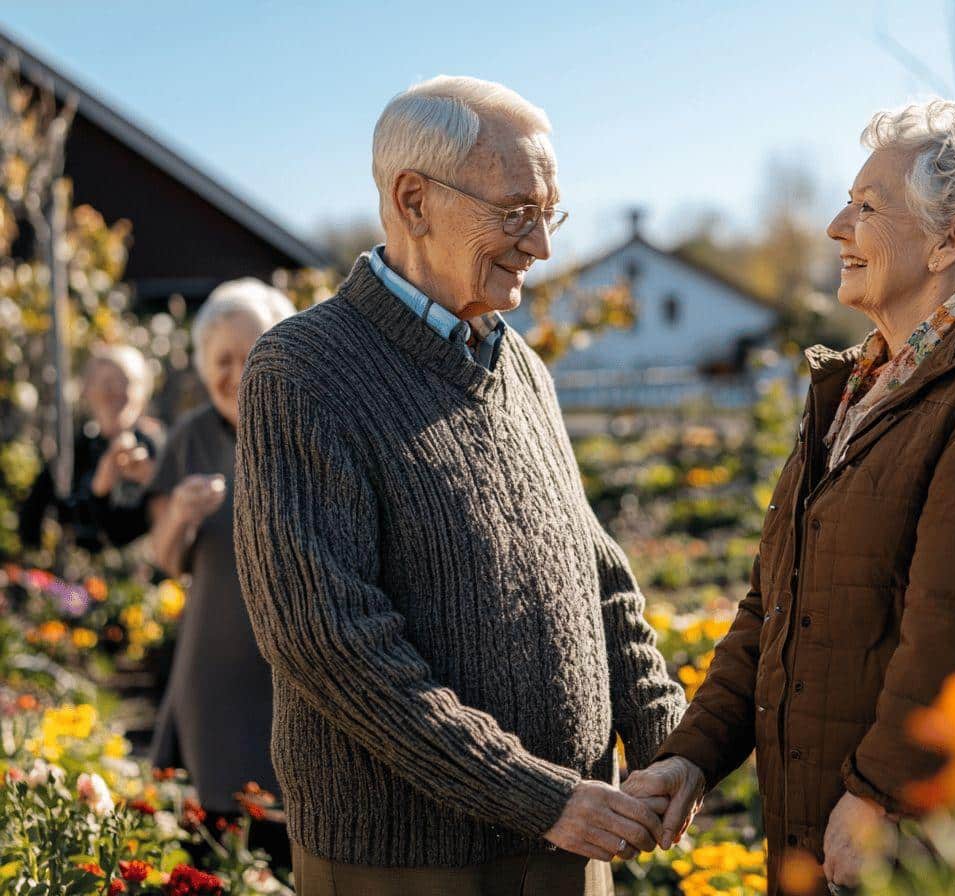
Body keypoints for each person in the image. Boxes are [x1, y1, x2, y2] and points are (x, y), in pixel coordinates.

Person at [624, 100, 955, 894]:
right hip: (828, 833)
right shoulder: (865, 383)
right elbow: (774, 602)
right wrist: (693, 755)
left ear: (950, 238)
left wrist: (883, 796)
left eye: (866, 206)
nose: (835, 226)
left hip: (913, 847)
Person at [233, 76, 683, 896]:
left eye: (551, 213)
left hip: (568, 837)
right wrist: (532, 793)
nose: (541, 245)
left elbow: (600, 579)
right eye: (517, 212)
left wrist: (667, 739)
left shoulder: (523, 369)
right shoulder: (302, 370)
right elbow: (328, 641)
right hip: (410, 862)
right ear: (413, 201)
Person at [145, 278, 296, 867]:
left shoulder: (304, 424)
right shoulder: (189, 438)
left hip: (296, 666)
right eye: (221, 360)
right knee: (213, 841)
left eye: (250, 353)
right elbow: (164, 557)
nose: (236, 373)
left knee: (294, 831)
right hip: (214, 672)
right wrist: (180, 514)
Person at [18, 345, 159, 553]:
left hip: (144, 581)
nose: (115, 394)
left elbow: (125, 536)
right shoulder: (74, 449)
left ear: (143, 391)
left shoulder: (157, 448)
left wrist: (153, 479)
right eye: (106, 384)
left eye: (125, 383)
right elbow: (33, 516)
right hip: (72, 582)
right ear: (88, 391)